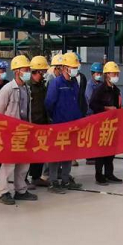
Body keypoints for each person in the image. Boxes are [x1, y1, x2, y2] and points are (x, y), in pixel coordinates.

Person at [0, 56, 38, 205]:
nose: (28, 72)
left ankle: (21, 190)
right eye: (26, 69)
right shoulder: (7, 89)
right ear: (17, 71)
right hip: (10, 132)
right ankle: (3, 192)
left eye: (29, 69)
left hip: (24, 131)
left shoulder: (26, 88)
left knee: (24, 163)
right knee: (9, 163)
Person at [44, 53, 84, 192]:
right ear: (65, 68)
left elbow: (77, 100)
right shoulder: (56, 83)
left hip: (72, 124)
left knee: (69, 153)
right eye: (73, 67)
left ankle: (66, 180)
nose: (75, 70)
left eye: (76, 67)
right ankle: (53, 181)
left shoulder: (74, 83)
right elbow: (49, 103)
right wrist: (55, 118)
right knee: (56, 154)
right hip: (59, 124)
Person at [89, 62, 123, 185]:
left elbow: (118, 107)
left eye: (117, 74)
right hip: (101, 124)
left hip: (112, 125)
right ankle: (99, 175)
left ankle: (109, 173)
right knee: (101, 151)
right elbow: (92, 104)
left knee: (111, 150)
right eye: (114, 74)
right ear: (107, 74)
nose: (116, 76)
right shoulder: (100, 89)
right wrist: (106, 108)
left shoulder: (116, 90)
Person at [27, 56, 51, 188]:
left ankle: (36, 177)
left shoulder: (42, 85)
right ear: (37, 71)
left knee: (40, 152)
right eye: (43, 72)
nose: (44, 74)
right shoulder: (28, 86)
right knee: (28, 154)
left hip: (42, 123)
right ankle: (24, 179)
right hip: (31, 124)